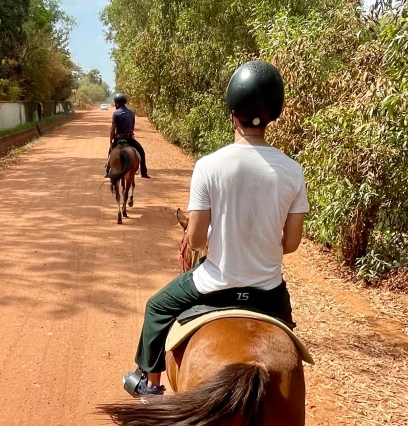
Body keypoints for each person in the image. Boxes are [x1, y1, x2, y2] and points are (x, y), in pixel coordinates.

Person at [123, 61, 308, 398]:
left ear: (232, 113)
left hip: (213, 285)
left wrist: (213, 238)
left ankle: (150, 387)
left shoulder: (209, 165)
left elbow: (194, 239)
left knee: (156, 308)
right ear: (272, 115)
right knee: (289, 337)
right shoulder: (293, 171)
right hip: (269, 291)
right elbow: (291, 243)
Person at [105, 92, 150, 179]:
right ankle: (144, 172)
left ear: (117, 103)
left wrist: (111, 142)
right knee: (141, 152)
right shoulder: (131, 113)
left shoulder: (116, 113)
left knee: (110, 153)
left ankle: (108, 170)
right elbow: (132, 127)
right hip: (129, 138)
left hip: (118, 139)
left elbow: (112, 129)